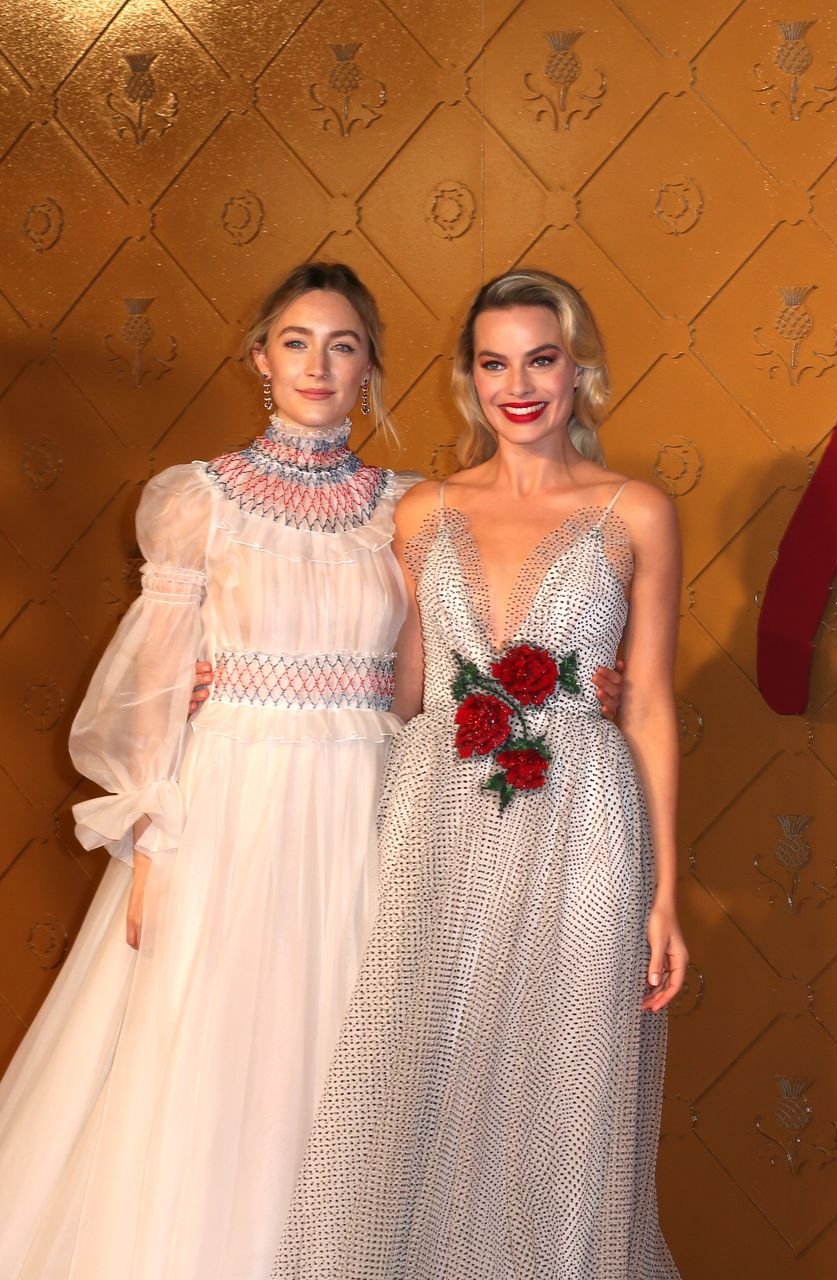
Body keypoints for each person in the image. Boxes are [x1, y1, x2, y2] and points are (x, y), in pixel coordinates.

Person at [0, 262, 622, 1280]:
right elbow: (151, 684)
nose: (318, 365)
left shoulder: (409, 508)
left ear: (371, 366)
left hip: (369, 805)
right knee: (213, 1053)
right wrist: (149, 844)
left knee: (352, 1055)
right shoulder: (195, 501)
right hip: (229, 807)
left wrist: (581, 677)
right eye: (296, 342)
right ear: (261, 358)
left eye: (343, 345)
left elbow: (450, 665)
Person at [273, 268, 685, 1278]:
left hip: (584, 823)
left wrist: (666, 895)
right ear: (470, 379)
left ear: (578, 369)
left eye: (541, 360)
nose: (519, 386)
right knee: (420, 1079)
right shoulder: (423, 511)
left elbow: (650, 705)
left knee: (561, 1085)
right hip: (439, 819)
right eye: (495, 364)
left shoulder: (635, 510)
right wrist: (236, 674)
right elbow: (401, 685)